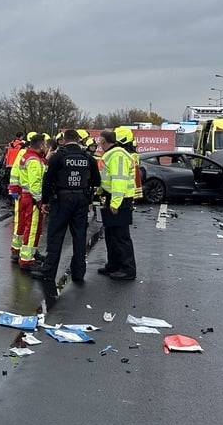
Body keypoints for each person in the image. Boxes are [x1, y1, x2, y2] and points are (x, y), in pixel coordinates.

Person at [32, 129, 101, 302]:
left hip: (61, 200)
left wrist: (45, 201)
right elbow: (97, 181)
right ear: (78, 140)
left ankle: (49, 272)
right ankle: (78, 272)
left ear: (64, 140)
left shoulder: (58, 157)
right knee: (79, 236)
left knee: (56, 236)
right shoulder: (88, 158)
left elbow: (47, 180)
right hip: (81, 199)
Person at [96, 128, 137, 281]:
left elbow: (119, 180)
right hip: (113, 198)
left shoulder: (117, 155)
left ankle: (127, 269)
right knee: (111, 235)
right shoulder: (112, 154)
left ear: (103, 141)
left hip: (120, 200)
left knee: (121, 236)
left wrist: (115, 204)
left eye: (99, 140)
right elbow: (107, 177)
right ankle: (113, 265)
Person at [16, 133, 49, 270]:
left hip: (26, 196)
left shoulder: (28, 156)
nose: (46, 147)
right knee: (32, 228)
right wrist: (40, 200)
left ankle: (31, 254)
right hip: (32, 199)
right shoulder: (34, 160)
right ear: (40, 145)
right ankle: (27, 260)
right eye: (45, 144)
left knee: (31, 227)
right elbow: (35, 184)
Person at [7, 134, 30, 261]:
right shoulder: (23, 153)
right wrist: (14, 189)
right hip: (22, 192)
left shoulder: (28, 153)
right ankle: (16, 249)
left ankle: (21, 248)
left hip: (26, 192)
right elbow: (15, 172)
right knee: (20, 221)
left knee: (26, 223)